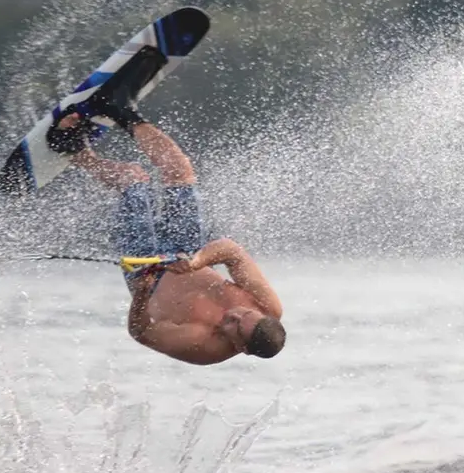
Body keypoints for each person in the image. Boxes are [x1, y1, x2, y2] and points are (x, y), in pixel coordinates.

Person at [48, 60, 286, 365]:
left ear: (242, 348)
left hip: (146, 269)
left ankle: (72, 150)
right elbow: (232, 252)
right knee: (179, 171)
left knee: (133, 180)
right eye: (244, 314)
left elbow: (142, 333)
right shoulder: (269, 306)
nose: (233, 315)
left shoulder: (203, 347)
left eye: (235, 327)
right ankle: (120, 109)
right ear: (261, 313)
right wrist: (197, 261)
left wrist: (142, 294)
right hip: (187, 251)